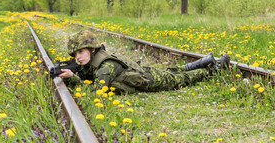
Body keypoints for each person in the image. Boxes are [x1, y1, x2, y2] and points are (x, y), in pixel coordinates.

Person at [59, 30, 230, 94]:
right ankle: (205, 60)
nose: (78, 57)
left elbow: (97, 92)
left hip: (149, 81)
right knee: (173, 71)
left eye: (81, 52)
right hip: (143, 72)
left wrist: (74, 79)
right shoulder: (98, 58)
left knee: (179, 78)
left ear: (92, 50)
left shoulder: (105, 67)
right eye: (75, 54)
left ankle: (213, 70)